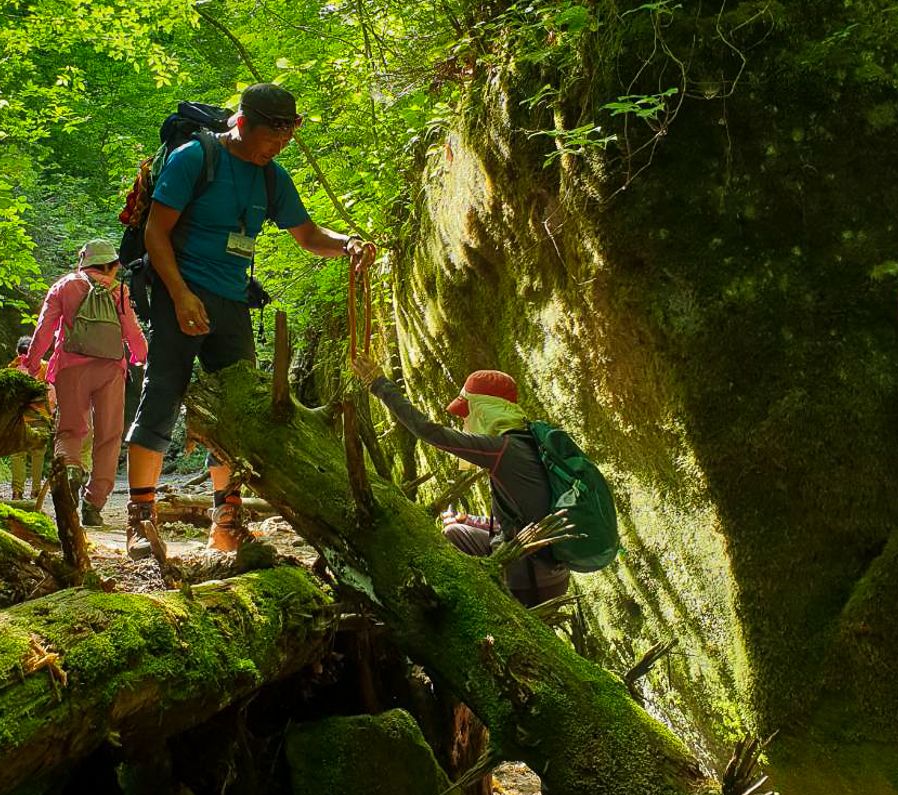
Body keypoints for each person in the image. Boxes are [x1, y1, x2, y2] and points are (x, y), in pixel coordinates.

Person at [125, 83, 377, 556]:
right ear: (242, 124)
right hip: (178, 290)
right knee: (162, 396)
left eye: (284, 141)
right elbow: (156, 232)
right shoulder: (194, 159)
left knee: (239, 410)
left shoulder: (272, 178)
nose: (276, 149)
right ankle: (140, 522)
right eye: (270, 139)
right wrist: (180, 295)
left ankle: (227, 520)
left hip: (232, 301)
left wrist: (347, 244)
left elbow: (307, 234)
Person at [351, 358, 570, 607]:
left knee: (450, 552)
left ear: (485, 410)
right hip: (552, 574)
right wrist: (471, 520)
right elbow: (526, 517)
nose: (463, 422)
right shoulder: (529, 440)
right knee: (455, 532)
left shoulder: (501, 450)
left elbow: (430, 432)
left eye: (467, 413)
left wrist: (380, 385)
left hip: (529, 580)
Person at [24, 239, 149, 533]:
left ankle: (70, 468)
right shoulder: (118, 290)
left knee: (71, 428)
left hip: (70, 367)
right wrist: (141, 356)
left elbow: (44, 329)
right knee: (109, 435)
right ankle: (94, 504)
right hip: (111, 370)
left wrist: (31, 366)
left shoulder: (64, 286)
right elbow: (132, 329)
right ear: (112, 265)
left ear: (84, 261)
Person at [8, 335, 55, 500]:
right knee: (38, 454)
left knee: (17, 454)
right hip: (40, 418)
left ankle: (17, 491)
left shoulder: (12, 369)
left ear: (17, 351)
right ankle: (36, 490)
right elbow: (51, 394)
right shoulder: (45, 367)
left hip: (18, 419)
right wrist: (52, 413)